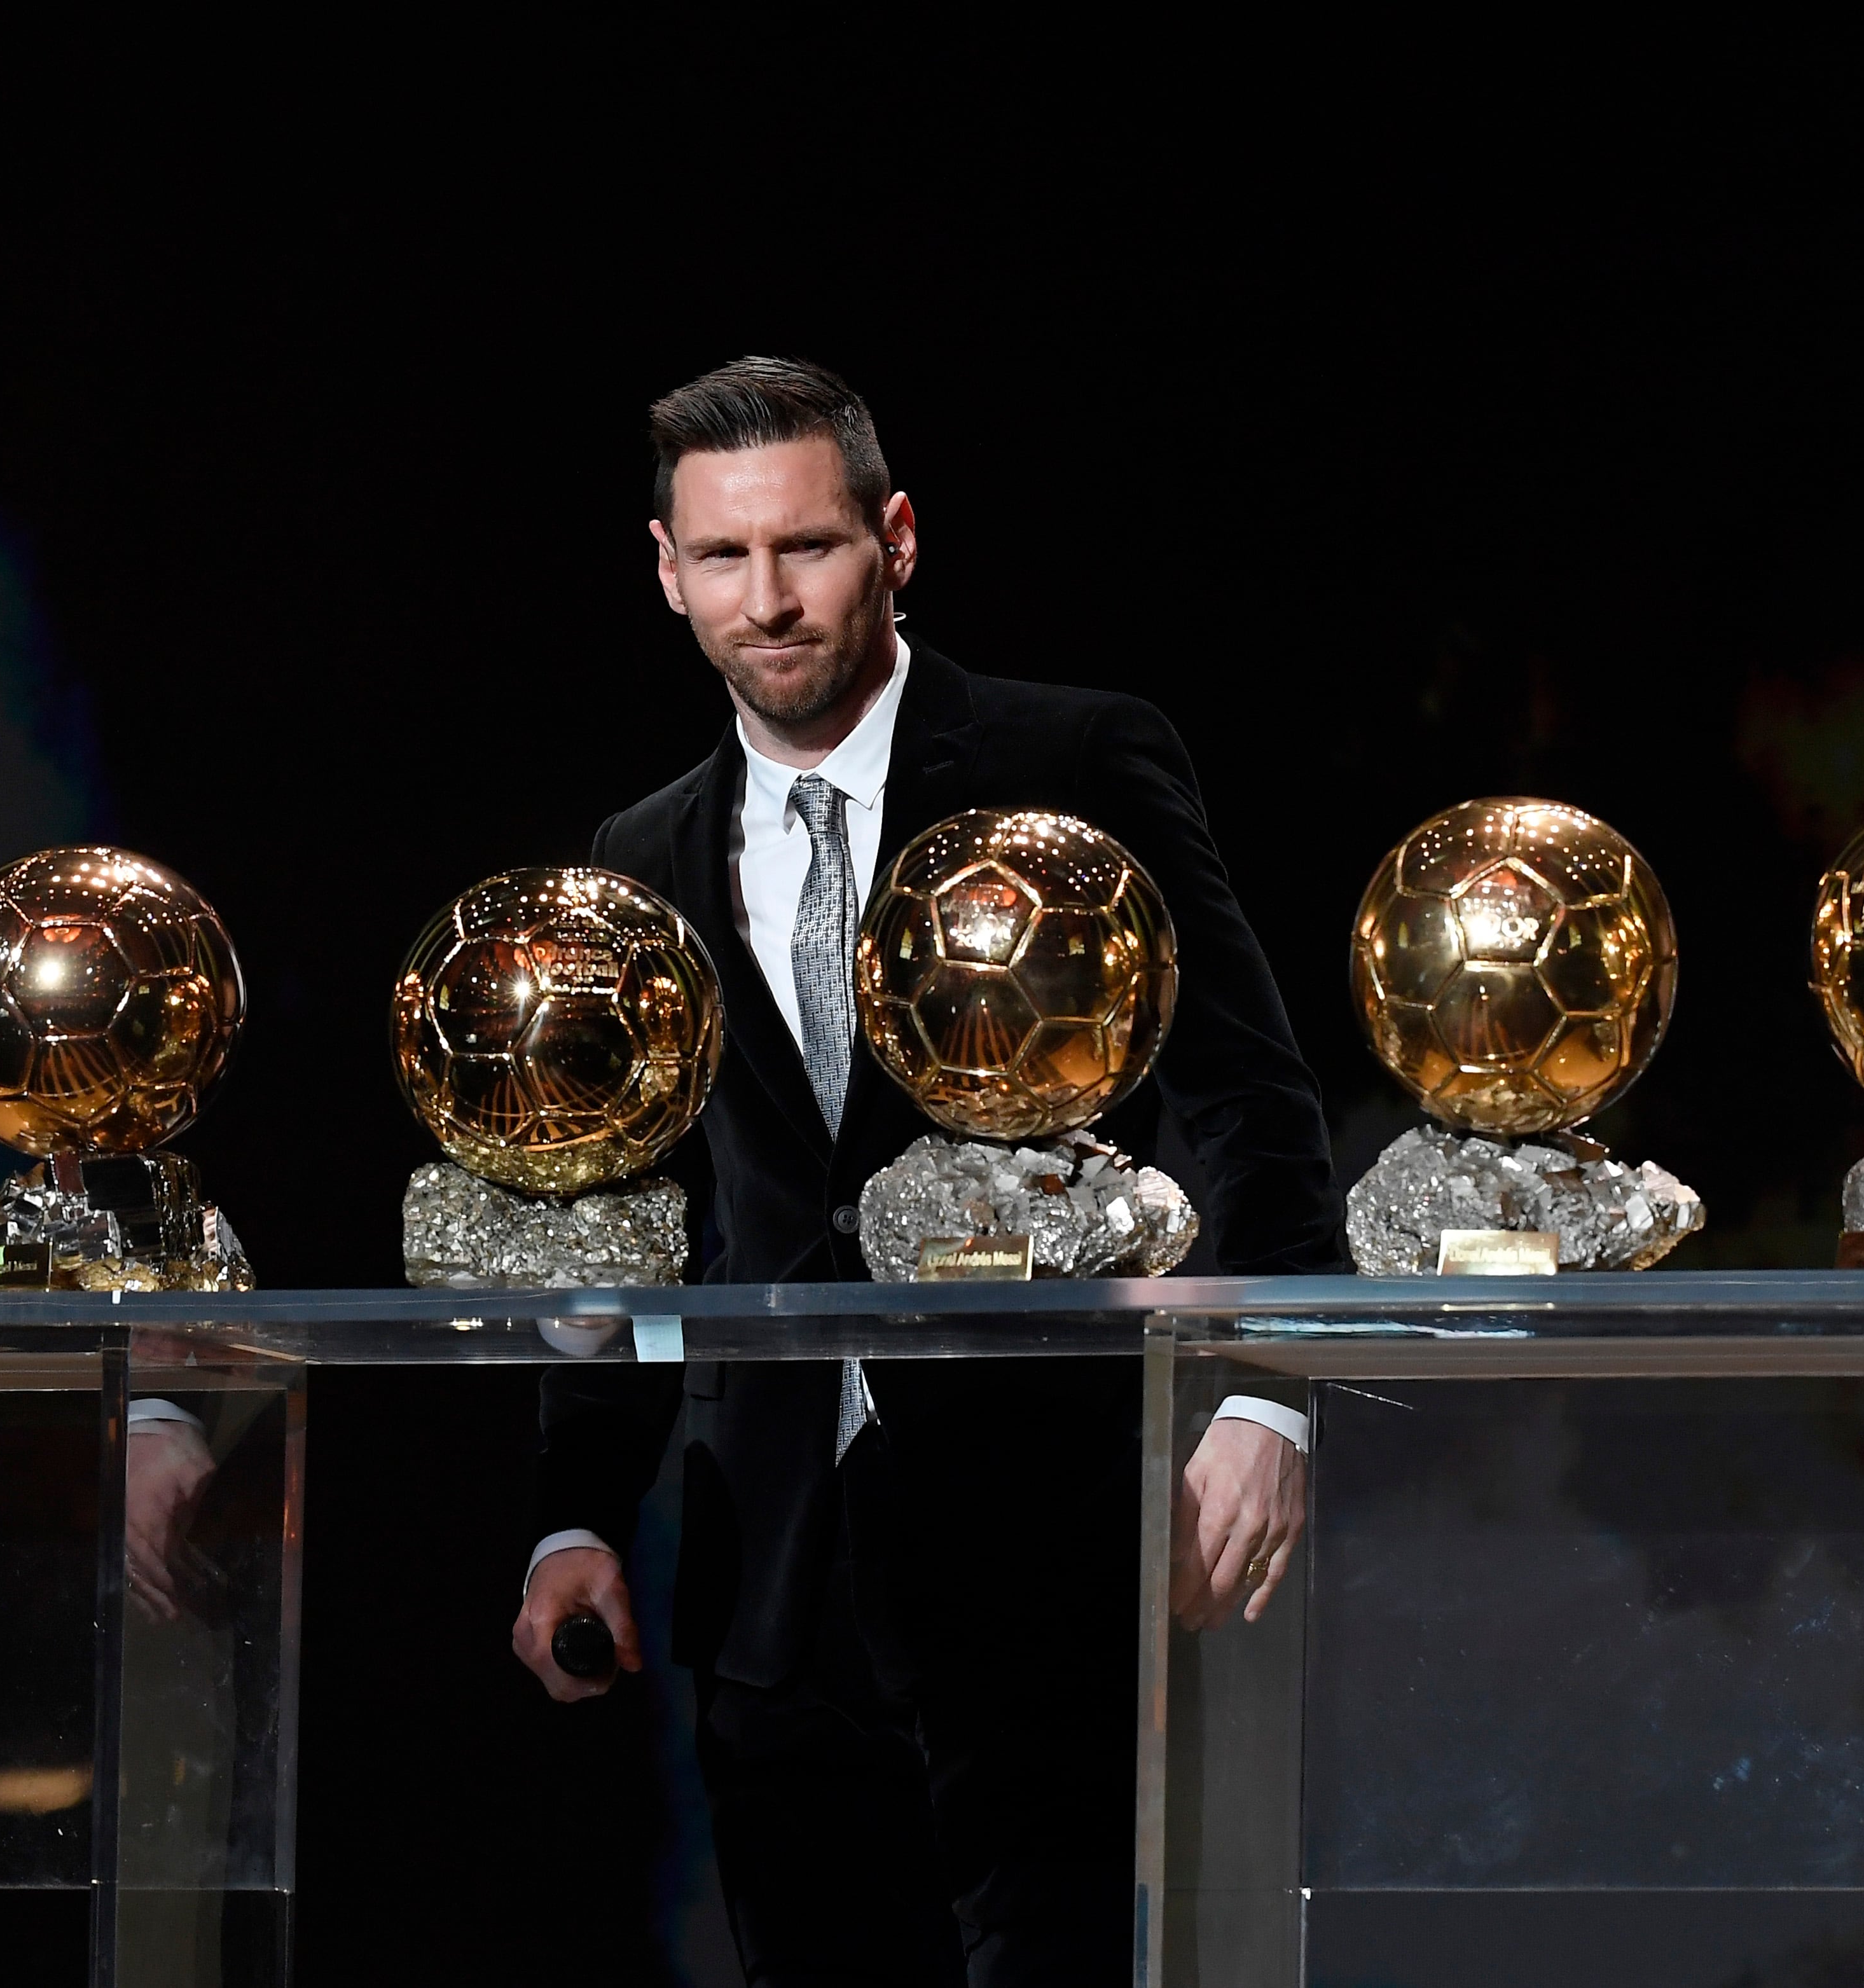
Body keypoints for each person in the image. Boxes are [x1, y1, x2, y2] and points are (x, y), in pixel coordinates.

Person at [509, 357, 1342, 1986]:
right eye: (724, 557)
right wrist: (573, 1513)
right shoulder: (638, 855)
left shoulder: (1077, 758)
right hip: (768, 1576)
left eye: (806, 547)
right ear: (666, 570)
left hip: (1053, 1547)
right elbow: (633, 1218)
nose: (767, 601)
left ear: (893, 539)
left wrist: (1266, 1393)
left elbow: (1250, 1101)